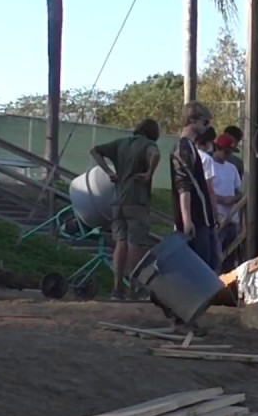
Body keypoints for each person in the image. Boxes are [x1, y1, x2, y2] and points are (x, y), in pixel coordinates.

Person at [89, 119, 161, 301]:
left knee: (120, 243)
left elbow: (94, 151)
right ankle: (136, 288)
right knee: (136, 244)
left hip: (117, 201)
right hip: (137, 200)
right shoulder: (148, 144)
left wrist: (109, 172)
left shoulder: (121, 143)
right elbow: (155, 155)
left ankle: (117, 288)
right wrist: (148, 174)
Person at [171, 101, 218, 272]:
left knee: (210, 263)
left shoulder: (190, 147)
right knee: (200, 266)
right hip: (196, 218)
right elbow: (183, 186)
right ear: (192, 120)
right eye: (205, 122)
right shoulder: (183, 147)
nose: (207, 127)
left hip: (202, 216)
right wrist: (187, 219)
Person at [211, 131, 244, 273]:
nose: (228, 155)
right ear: (217, 148)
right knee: (215, 256)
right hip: (217, 217)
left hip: (232, 218)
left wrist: (234, 199)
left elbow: (239, 190)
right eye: (226, 151)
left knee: (230, 258)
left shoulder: (232, 168)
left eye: (230, 151)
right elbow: (206, 191)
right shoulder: (208, 164)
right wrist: (221, 199)